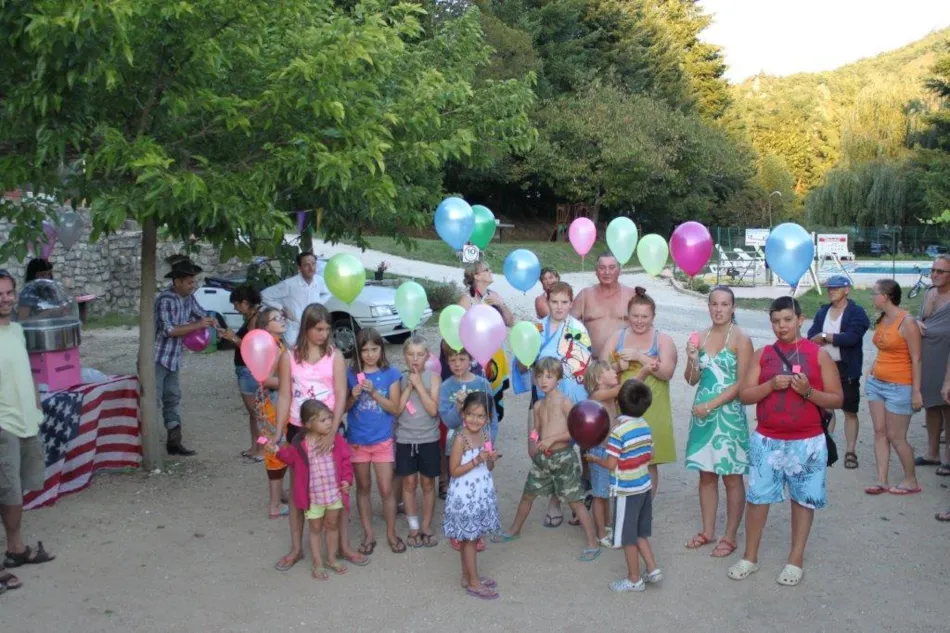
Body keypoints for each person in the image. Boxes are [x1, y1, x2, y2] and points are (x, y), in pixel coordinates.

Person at [729, 297, 842, 587]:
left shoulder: (818, 355)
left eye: (787, 320)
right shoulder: (764, 354)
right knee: (758, 498)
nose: (782, 326)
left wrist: (807, 392)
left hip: (808, 442)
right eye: (776, 321)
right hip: (767, 440)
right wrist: (769, 386)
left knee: (803, 500)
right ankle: (750, 556)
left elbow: (837, 399)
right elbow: (745, 395)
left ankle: (795, 559)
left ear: (800, 320)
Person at [274, 303, 367, 570]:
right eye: (318, 329)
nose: (323, 334)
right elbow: (283, 396)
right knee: (299, 490)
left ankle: (343, 546)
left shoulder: (335, 356)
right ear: (306, 327)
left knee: (338, 486)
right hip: (298, 428)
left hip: (328, 428)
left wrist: (334, 429)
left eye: (327, 329)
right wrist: (279, 431)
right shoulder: (289, 357)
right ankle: (295, 549)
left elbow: (339, 396)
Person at [495, 358, 601, 562]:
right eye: (540, 376)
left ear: (559, 379)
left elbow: (575, 431)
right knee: (528, 494)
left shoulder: (565, 402)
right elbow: (536, 431)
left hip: (564, 458)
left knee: (575, 501)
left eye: (549, 376)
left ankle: (592, 542)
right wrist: (535, 441)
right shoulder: (537, 405)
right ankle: (514, 529)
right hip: (543, 459)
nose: (543, 380)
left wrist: (552, 439)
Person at [683, 287, 753, 558]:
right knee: (706, 474)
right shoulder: (700, 336)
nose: (719, 309)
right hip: (702, 418)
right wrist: (692, 361)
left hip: (727, 416)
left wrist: (710, 405)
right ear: (708, 306)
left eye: (724, 304)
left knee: (732, 477)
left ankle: (731, 535)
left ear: (733, 307)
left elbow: (742, 383)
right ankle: (708, 530)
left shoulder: (741, 339)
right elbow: (691, 379)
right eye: (714, 304)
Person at [0, 269, 55, 593]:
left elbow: (25, 370)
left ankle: (16, 551)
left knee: (15, 491)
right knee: (5, 491)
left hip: (25, 421)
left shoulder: (17, 330)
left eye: (8, 293)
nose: (4, 299)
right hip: (2, 425)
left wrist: (35, 405)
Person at [526, 280, 594, 527]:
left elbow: (582, 366)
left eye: (564, 302)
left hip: (573, 396)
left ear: (571, 303)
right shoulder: (535, 329)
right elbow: (525, 363)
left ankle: (583, 497)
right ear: (547, 301)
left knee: (580, 448)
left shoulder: (578, 329)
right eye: (554, 301)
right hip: (545, 398)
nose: (559, 307)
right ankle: (555, 501)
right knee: (548, 448)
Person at [587, 378, 662, 593]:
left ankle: (634, 578)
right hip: (644, 487)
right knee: (640, 533)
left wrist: (594, 459)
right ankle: (652, 568)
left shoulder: (618, 433)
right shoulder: (645, 426)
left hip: (626, 492)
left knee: (628, 538)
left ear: (618, 404)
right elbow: (651, 454)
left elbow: (611, 464)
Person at [605, 287, 677, 496]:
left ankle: (646, 505)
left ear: (653, 316)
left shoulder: (662, 339)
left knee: (649, 459)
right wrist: (619, 367)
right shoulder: (617, 337)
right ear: (628, 315)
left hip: (653, 405)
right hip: (623, 405)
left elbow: (667, 373)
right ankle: (623, 501)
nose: (639, 321)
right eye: (635, 316)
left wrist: (639, 356)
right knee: (621, 455)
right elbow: (600, 371)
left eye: (644, 316)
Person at [273, 399, 352, 580]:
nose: (329, 423)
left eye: (330, 419)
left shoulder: (336, 440)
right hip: (313, 496)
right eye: (323, 420)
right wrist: (276, 450)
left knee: (332, 526)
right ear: (308, 424)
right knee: (315, 528)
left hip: (334, 493)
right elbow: (290, 459)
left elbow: (346, 461)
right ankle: (317, 562)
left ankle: (331, 558)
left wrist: (347, 480)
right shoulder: (300, 443)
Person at [345, 328, 403, 554]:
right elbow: (344, 408)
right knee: (363, 488)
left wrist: (375, 394)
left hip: (382, 441)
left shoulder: (391, 374)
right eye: (364, 350)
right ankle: (368, 533)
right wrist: (354, 396)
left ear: (381, 349)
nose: (369, 354)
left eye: (374, 349)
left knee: (386, 489)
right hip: (357, 441)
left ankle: (391, 532)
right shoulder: (350, 374)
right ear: (358, 352)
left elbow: (396, 409)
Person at [863, 280, 922, 496]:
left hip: (900, 385)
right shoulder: (883, 319)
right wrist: (871, 370)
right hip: (877, 382)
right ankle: (882, 479)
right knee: (879, 432)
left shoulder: (907, 322)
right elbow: (884, 350)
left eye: (874, 293)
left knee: (896, 435)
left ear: (886, 296)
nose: (872, 297)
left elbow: (916, 358)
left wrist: (916, 391)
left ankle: (911, 480)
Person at [442, 392, 502, 600]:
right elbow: (454, 470)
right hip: (465, 496)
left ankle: (468, 576)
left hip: (480, 493)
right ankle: (474, 582)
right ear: (463, 414)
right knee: (469, 539)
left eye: (480, 416)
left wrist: (491, 458)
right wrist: (477, 460)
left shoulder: (486, 435)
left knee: (473, 537)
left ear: (488, 418)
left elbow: (490, 467)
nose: (475, 420)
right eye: (470, 414)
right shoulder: (460, 439)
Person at [153, 257, 216, 456]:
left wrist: (210, 320)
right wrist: (199, 325)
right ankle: (146, 443)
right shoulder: (165, 300)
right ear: (177, 282)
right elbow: (169, 330)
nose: (193, 285)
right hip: (157, 358)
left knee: (172, 398)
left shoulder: (188, 298)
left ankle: (174, 443)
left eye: (193, 281)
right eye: (189, 282)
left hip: (173, 358)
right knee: (151, 400)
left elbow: (200, 312)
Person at [806, 276, 870, 469]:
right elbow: (811, 335)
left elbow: (852, 337)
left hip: (846, 367)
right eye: (829, 288)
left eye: (835, 288)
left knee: (850, 410)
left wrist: (826, 336)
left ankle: (851, 450)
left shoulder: (856, 312)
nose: (831, 291)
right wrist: (824, 337)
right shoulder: (823, 311)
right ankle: (828, 444)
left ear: (847, 289)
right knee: (827, 408)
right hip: (825, 366)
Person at [439, 347, 496, 552]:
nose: (457, 364)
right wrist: (458, 407)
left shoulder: (482, 383)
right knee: (460, 490)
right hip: (459, 443)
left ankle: (477, 532)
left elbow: (492, 417)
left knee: (479, 491)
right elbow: (449, 421)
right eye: (452, 360)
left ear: (470, 359)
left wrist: (491, 444)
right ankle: (459, 532)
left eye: (462, 359)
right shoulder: (446, 387)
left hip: (480, 443)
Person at [395, 336, 442, 548]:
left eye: (420, 354)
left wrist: (420, 387)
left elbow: (433, 410)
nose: (415, 358)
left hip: (428, 439)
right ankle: (413, 525)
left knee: (427, 483)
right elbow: (397, 410)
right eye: (411, 354)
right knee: (409, 483)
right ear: (404, 356)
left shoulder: (433, 378)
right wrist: (409, 386)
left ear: (427, 356)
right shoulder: (400, 379)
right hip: (405, 438)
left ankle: (425, 525)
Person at [456, 261, 513, 422]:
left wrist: (500, 304)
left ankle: (489, 439)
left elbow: (510, 322)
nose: (490, 271)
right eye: (486, 270)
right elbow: (458, 332)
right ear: (476, 275)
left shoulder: (493, 295)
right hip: (475, 359)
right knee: (476, 402)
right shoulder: (467, 300)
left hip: (496, 356)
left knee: (493, 405)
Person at [249, 308, 290, 519]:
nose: (282, 320)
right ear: (266, 326)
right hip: (271, 405)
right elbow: (265, 380)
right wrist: (293, 382)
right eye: (276, 319)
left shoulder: (279, 343)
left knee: (281, 447)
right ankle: (274, 505)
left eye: (281, 317)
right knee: (275, 449)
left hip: (277, 402)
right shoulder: (270, 347)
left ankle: (280, 493)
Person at [218, 284, 264, 462]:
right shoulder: (251, 318)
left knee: (257, 413)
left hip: (249, 370)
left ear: (245, 302)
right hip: (244, 370)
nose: (235, 308)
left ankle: (261, 448)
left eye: (236, 304)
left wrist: (233, 338)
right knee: (253, 414)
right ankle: (255, 447)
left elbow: (251, 346)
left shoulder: (255, 320)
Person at [917, 254, 950, 475]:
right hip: (928, 357)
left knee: (948, 407)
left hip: (947, 358)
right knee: (931, 405)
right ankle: (932, 452)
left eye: (940, 271)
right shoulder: (929, 293)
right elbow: (922, 319)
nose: (935, 275)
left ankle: (948, 457)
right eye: (933, 270)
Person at [584, 360, 621, 547]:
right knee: (600, 494)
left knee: (606, 493)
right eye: (609, 370)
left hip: (610, 449)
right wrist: (644, 370)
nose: (613, 371)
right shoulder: (597, 395)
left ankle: (606, 525)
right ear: (599, 379)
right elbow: (621, 390)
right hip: (599, 451)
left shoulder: (607, 394)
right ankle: (600, 533)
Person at [571, 253, 636, 359]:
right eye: (602, 268)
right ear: (596, 271)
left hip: (624, 364)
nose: (607, 272)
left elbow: (646, 328)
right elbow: (568, 326)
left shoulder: (631, 295)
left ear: (619, 270)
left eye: (612, 267)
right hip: (591, 363)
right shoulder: (585, 295)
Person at [261, 251, 330, 346]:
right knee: (293, 358)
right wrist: (281, 308)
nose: (311, 268)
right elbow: (264, 295)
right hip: (293, 332)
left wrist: (318, 306)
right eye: (306, 265)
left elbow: (327, 293)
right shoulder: (289, 284)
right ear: (299, 268)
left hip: (312, 329)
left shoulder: (319, 281)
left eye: (313, 264)